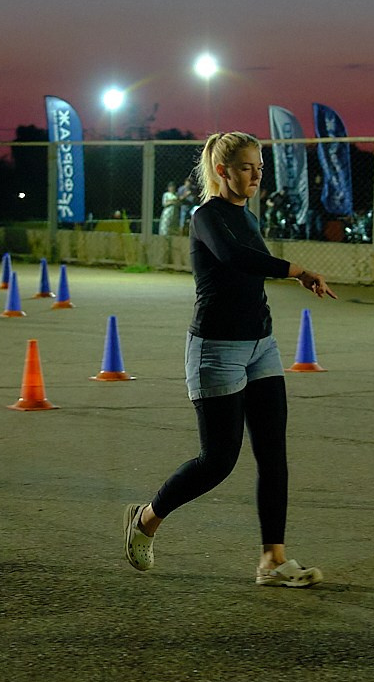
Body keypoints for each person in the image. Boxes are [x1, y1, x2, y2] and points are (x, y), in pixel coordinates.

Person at [123, 131, 336, 587]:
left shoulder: (248, 217)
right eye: (246, 168)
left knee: (273, 452)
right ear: (222, 171)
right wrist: (296, 270)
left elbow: (250, 265)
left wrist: (286, 278)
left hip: (261, 345)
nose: (256, 176)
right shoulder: (205, 217)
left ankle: (272, 560)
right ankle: (147, 518)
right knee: (218, 460)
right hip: (216, 351)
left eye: (260, 167)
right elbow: (235, 258)